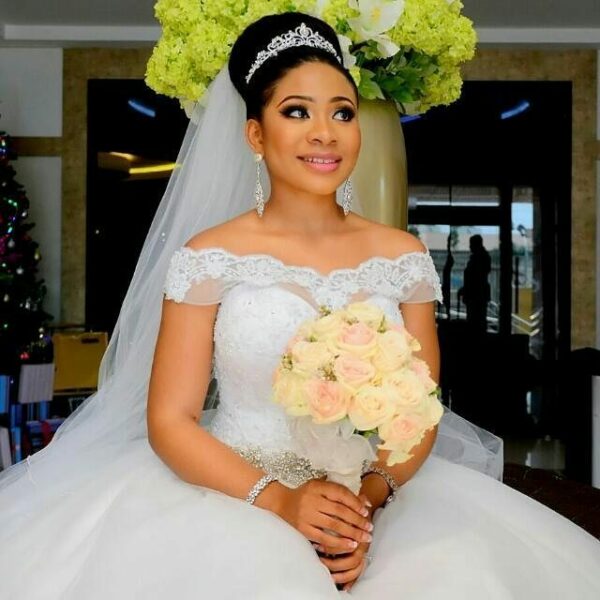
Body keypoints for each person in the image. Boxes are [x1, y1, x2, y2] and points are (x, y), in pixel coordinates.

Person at [0, 12, 599, 599]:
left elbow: (420, 408)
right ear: (255, 134)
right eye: (297, 112)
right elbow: (170, 420)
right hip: (232, 496)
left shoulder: (402, 255)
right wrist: (280, 500)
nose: (325, 132)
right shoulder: (209, 257)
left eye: (342, 112)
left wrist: (362, 502)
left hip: (374, 499)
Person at [458, 234, 492, 333]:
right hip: (477, 296)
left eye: (471, 244)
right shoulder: (482, 257)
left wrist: (466, 289)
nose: (470, 247)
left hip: (476, 297)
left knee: (475, 322)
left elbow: (475, 279)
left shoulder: (479, 258)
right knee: (477, 321)